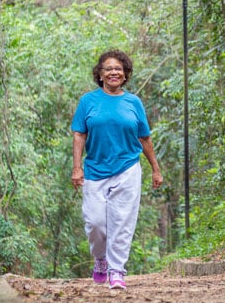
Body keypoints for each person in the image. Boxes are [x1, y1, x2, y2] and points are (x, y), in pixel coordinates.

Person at [70, 49, 163, 289]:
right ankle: (100, 259)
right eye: (109, 69)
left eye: (118, 69)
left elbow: (144, 138)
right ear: (100, 74)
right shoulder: (88, 101)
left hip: (128, 168)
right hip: (95, 169)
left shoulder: (133, 102)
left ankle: (117, 269)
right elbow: (79, 134)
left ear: (125, 75)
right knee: (96, 222)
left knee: (122, 221)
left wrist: (155, 168)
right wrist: (77, 167)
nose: (114, 72)